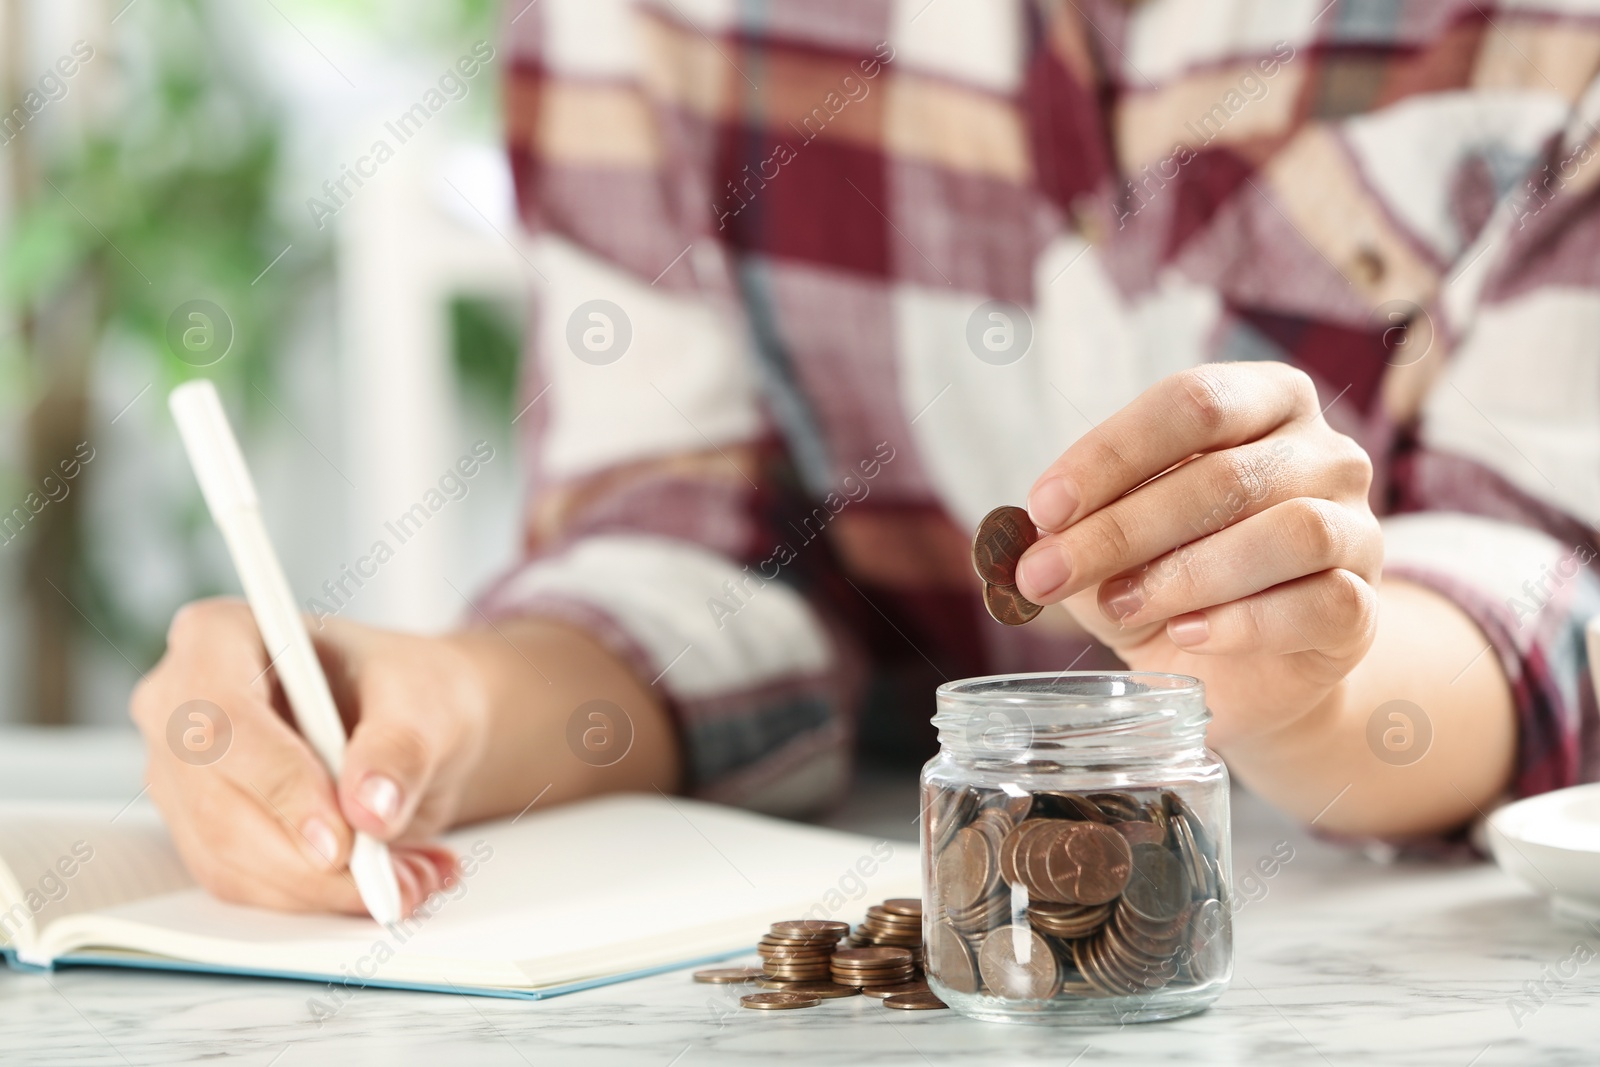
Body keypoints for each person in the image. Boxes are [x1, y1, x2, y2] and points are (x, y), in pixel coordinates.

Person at [131, 0, 1600, 915]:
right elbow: (684, 539)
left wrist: (1313, 687)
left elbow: (1547, 582)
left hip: (1369, 891)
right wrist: (448, 704)